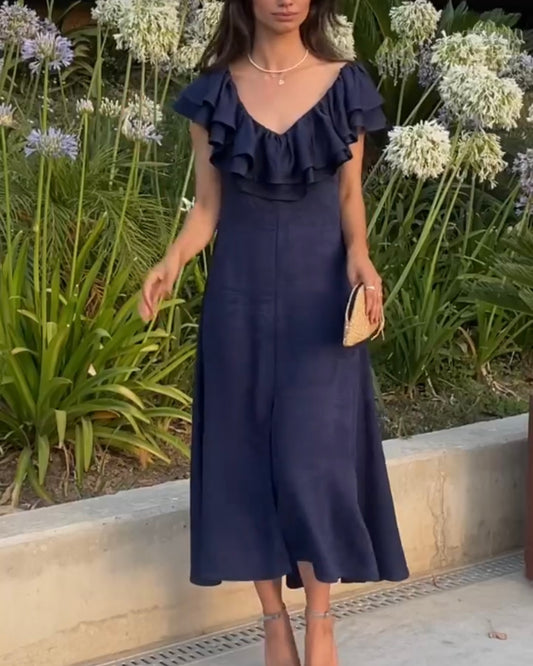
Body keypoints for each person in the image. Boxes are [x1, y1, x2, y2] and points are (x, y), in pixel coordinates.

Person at [140, 0, 409, 663]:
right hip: (239, 300)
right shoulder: (214, 92)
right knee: (244, 457)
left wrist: (362, 259)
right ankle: (272, 620)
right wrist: (172, 260)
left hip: (321, 305)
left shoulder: (344, 84)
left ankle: (320, 617)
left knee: (313, 461)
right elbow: (207, 207)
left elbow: (349, 198)